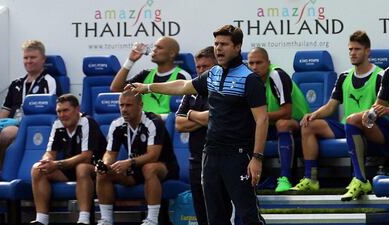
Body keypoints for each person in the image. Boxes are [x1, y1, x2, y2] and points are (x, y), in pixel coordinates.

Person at [126, 24, 267, 225]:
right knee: (215, 218)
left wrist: (257, 158)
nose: (218, 48)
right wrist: (148, 87)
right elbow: (183, 86)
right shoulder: (213, 74)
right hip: (210, 156)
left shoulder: (250, 79)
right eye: (216, 43)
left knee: (249, 216)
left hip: (238, 156)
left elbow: (262, 119)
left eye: (224, 44)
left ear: (237, 47)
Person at [290, 31, 383, 198]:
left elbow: (381, 108)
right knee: (308, 125)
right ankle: (310, 179)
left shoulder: (380, 75)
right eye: (350, 49)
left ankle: (359, 179)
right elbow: (331, 106)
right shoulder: (344, 76)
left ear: (367, 51)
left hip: (371, 127)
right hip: (347, 126)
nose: (353, 53)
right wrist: (313, 114)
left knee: (353, 121)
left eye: (357, 49)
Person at [95, 90, 179, 225]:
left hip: (163, 167)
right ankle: (106, 220)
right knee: (102, 173)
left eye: (128, 105)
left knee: (149, 168)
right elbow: (110, 153)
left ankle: (152, 219)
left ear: (140, 105)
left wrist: (129, 162)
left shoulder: (153, 122)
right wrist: (106, 164)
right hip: (134, 168)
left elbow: (153, 155)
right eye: (121, 105)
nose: (124, 109)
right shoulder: (117, 125)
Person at [30, 94, 107, 225]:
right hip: (69, 168)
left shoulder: (87, 122)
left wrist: (57, 164)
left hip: (95, 170)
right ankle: (41, 220)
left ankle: (84, 219)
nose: (62, 115)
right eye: (59, 111)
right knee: (38, 169)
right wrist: (46, 161)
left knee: (81, 167)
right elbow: (50, 152)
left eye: (66, 110)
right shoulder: (57, 124)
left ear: (77, 109)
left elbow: (86, 156)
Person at [247, 47, 310, 192]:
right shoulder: (250, 81)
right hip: (270, 125)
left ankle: (285, 178)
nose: (254, 67)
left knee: (282, 124)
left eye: (259, 63)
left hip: (300, 123)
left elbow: (286, 112)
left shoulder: (276, 75)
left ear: (268, 63)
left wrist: (260, 117)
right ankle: (250, 179)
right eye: (251, 63)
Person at [0, 40, 61, 174]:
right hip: (11, 124)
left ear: (43, 59)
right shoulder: (16, 83)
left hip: (32, 126)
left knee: (7, 133)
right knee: (4, 130)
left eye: (33, 57)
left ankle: (2, 172)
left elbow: (52, 111)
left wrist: (18, 122)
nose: (29, 61)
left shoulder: (49, 81)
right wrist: (1, 123)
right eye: (26, 58)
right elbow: (4, 112)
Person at [175, 46, 216, 225]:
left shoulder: (224, 88)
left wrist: (191, 115)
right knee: (201, 213)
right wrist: (202, 117)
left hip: (219, 159)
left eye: (205, 67)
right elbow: (178, 124)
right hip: (196, 160)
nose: (200, 71)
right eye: (198, 67)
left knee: (219, 211)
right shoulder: (192, 89)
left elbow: (215, 118)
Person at [341, 65, 389, 201]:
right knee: (353, 120)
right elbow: (379, 104)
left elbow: (387, 109)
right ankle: (360, 179)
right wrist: (369, 114)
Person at [110, 37, 192, 115]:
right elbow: (116, 89)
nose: (154, 50)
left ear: (171, 54)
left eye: (159, 48)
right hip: (144, 124)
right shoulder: (145, 74)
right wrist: (130, 61)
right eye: (154, 47)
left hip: (168, 125)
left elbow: (186, 108)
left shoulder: (182, 76)